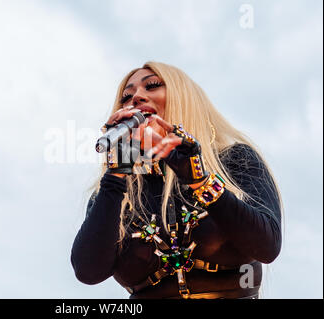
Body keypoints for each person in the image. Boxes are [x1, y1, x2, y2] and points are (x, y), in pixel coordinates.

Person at [70, 61, 282, 299]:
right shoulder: (116, 189)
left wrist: (199, 180)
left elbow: (267, 246)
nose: (136, 97)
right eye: (126, 97)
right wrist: (116, 174)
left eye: (151, 86)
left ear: (184, 98)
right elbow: (88, 271)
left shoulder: (234, 159)